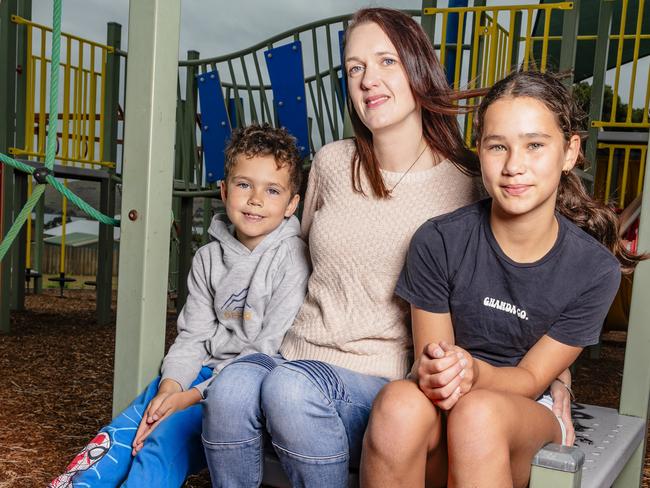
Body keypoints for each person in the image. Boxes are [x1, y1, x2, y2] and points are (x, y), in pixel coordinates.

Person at [201, 10, 572, 488]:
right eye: (355, 68)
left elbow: (522, 279)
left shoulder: (469, 182)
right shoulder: (334, 163)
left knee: (292, 392)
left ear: (418, 67)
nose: (368, 80)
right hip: (292, 358)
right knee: (229, 389)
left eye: (385, 61)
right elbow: (293, 260)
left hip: (379, 379)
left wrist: (555, 379)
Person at [360, 70, 647, 488]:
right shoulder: (438, 241)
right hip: (446, 408)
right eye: (498, 146)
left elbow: (531, 379)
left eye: (534, 145)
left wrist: (476, 373)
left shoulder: (593, 271)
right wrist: (446, 371)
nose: (515, 166)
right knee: (397, 404)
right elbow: (434, 370)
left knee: (478, 415)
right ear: (480, 151)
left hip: (522, 410)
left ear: (569, 152)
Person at [49, 123, 310, 488]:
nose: (255, 199)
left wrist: (188, 399)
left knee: (161, 442)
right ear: (223, 189)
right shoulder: (207, 258)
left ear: (292, 204)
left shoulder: (292, 259)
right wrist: (170, 388)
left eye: (272, 190)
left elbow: (268, 353)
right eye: (244, 184)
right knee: (132, 423)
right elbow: (192, 337)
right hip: (198, 374)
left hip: (242, 391)